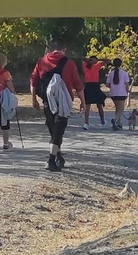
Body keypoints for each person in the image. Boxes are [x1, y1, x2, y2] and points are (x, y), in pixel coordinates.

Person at [31, 39, 83, 172]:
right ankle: (51, 160)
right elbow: (77, 83)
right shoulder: (69, 63)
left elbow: (33, 81)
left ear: (50, 49)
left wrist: (34, 99)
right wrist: (83, 100)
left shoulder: (41, 61)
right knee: (58, 130)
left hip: (47, 100)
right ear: (63, 49)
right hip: (63, 101)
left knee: (53, 129)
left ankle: (58, 156)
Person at [79, 54, 107, 128]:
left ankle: (86, 123)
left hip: (88, 86)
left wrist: (91, 60)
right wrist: (97, 60)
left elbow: (82, 58)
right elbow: (107, 61)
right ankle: (102, 122)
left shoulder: (85, 65)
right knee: (99, 105)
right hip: (95, 86)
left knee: (89, 105)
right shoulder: (96, 66)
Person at [105, 57, 133, 130]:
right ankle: (115, 120)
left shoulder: (111, 73)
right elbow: (127, 84)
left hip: (113, 93)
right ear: (121, 64)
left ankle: (119, 124)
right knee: (121, 110)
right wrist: (127, 91)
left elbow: (107, 84)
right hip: (122, 93)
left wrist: (113, 87)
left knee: (117, 109)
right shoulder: (124, 73)